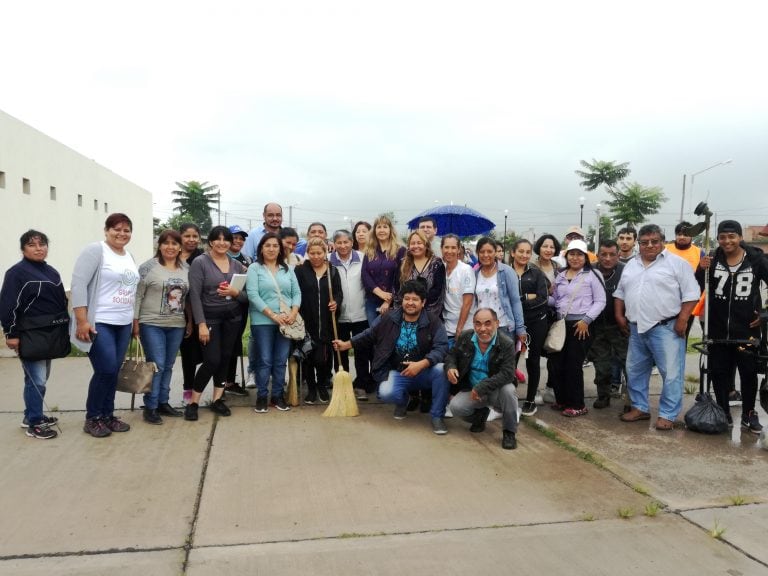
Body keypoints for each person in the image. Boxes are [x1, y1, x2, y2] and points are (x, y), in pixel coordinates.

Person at [333, 280, 450, 435]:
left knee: (441, 370)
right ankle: (403, 401)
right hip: (398, 371)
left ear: (423, 302)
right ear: (401, 301)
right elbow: (369, 334)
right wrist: (347, 345)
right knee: (386, 392)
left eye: (415, 300)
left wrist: (422, 364)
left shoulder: (433, 321)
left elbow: (442, 347)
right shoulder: (389, 318)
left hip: (424, 370)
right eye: (407, 299)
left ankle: (437, 416)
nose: (410, 303)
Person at [615, 224, 700, 430]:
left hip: (666, 328)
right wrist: (619, 315)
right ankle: (640, 408)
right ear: (639, 244)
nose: (650, 246)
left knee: (671, 373)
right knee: (634, 370)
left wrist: (682, 319)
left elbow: (691, 294)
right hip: (636, 329)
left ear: (663, 242)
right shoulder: (632, 265)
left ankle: (668, 414)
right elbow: (620, 292)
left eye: (654, 241)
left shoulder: (677, 264)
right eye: (644, 242)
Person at [71, 213, 139, 438]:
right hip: (100, 321)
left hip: (123, 322)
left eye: (126, 230)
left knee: (113, 371)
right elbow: (78, 285)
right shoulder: (96, 250)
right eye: (116, 229)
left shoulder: (129, 255)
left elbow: (131, 291)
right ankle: (93, 418)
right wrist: (82, 321)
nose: (121, 234)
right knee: (106, 369)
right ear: (106, 230)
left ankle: (107, 415)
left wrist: (133, 322)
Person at [697, 220, 768, 433]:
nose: (727, 241)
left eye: (732, 236)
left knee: (748, 373)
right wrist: (701, 271)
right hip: (717, 328)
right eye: (723, 237)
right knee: (719, 372)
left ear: (740, 237)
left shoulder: (756, 259)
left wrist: (765, 313)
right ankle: (723, 411)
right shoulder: (712, 259)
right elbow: (698, 285)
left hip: (746, 329)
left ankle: (749, 413)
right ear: (718, 238)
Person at [0, 230, 68, 439]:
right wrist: (11, 333)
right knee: (36, 379)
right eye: (32, 245)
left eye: (42, 244)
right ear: (23, 249)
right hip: (29, 333)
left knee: (41, 377)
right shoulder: (16, 273)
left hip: (50, 331)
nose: (39, 248)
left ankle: (30, 415)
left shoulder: (52, 272)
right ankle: (35, 423)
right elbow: (7, 305)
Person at [186, 226, 248, 421]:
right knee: (212, 359)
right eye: (218, 239)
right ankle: (193, 402)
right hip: (210, 318)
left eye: (226, 240)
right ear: (211, 242)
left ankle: (217, 399)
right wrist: (201, 324)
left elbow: (246, 296)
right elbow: (194, 296)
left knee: (226, 357)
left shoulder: (236, 265)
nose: (222, 243)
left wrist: (235, 293)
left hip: (233, 318)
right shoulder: (200, 262)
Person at [133, 229, 189, 424]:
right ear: (160, 245)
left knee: (169, 365)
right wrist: (135, 321)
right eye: (166, 243)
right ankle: (151, 406)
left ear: (180, 247)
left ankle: (163, 402)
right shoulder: (148, 267)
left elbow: (188, 298)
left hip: (176, 324)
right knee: (157, 365)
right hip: (151, 323)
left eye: (174, 244)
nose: (170, 247)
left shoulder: (186, 268)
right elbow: (137, 295)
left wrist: (190, 321)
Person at [445, 308, 519, 449]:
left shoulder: (507, 343)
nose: (482, 328)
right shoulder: (466, 337)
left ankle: (509, 432)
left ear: (497, 323)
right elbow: (451, 355)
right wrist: (451, 367)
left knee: (509, 390)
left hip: (494, 392)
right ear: (473, 324)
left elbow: (508, 373)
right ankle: (480, 416)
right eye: (478, 324)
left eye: (487, 323)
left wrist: (482, 387)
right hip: (472, 390)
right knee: (455, 407)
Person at [548, 239, 606, 417]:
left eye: (579, 254)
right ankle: (562, 400)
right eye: (571, 254)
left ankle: (577, 404)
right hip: (561, 325)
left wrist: (586, 320)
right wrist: (541, 296)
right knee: (556, 364)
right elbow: (556, 300)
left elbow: (601, 301)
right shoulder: (561, 275)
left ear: (585, 256)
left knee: (573, 365)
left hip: (581, 326)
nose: (575, 258)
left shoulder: (593, 275)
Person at [246, 232, 301, 413]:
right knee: (265, 360)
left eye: (275, 246)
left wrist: (293, 313)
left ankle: (277, 395)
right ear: (261, 248)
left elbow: (296, 293)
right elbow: (253, 295)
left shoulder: (288, 269)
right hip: (263, 321)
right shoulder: (255, 268)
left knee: (280, 360)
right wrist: (273, 316)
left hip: (286, 321)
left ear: (280, 249)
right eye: (267, 245)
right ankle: (262, 396)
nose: (271, 249)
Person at [296, 238, 343, 404]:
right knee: (308, 357)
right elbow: (296, 293)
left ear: (325, 253)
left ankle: (322, 385)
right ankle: (311, 388)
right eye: (312, 253)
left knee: (323, 358)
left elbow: (338, 293)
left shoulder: (332, 271)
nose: (315, 256)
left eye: (319, 253)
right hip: (307, 322)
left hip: (326, 323)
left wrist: (335, 302)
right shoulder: (301, 271)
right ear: (307, 253)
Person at [330, 229, 373, 399]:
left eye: (346, 242)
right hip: (338, 316)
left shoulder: (363, 259)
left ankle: (361, 384)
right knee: (339, 351)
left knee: (361, 351)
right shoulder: (328, 261)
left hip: (360, 313)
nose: (343, 246)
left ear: (351, 242)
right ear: (334, 244)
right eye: (339, 242)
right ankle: (344, 383)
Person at [587, 239, 629, 410]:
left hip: (621, 326)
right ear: (597, 255)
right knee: (602, 365)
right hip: (596, 327)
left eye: (612, 254)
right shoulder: (589, 271)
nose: (608, 258)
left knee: (629, 364)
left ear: (618, 255)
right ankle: (603, 395)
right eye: (603, 254)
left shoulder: (626, 271)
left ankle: (633, 401)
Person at [510, 239, 549, 417]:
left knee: (533, 361)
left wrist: (519, 299)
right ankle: (508, 398)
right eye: (521, 251)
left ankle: (531, 399)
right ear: (513, 252)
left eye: (528, 252)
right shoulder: (505, 271)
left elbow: (542, 298)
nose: (524, 255)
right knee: (510, 362)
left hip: (535, 323)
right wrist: (527, 296)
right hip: (511, 324)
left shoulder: (536, 273)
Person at [472, 237, 526, 347]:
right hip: (482, 329)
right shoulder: (475, 273)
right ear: (477, 253)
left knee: (504, 363)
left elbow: (515, 301)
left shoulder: (506, 271)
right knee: (485, 363)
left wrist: (520, 328)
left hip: (503, 327)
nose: (486, 255)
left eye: (490, 251)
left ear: (495, 252)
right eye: (482, 252)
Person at [221, 224, 251, 398]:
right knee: (221, 347)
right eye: (235, 237)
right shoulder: (220, 257)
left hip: (240, 308)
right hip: (220, 308)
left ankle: (230, 382)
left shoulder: (247, 259)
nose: (238, 241)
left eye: (241, 238)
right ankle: (220, 382)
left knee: (234, 344)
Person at [532, 233, 562, 404]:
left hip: (554, 316)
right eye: (545, 246)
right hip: (536, 315)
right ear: (539, 248)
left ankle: (551, 387)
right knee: (534, 354)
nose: (548, 250)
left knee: (555, 352)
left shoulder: (558, 267)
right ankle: (534, 390)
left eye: (551, 247)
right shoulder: (531, 266)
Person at [362, 214, 406, 325]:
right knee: (373, 334)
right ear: (374, 230)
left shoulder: (400, 250)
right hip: (372, 300)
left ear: (391, 230)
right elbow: (365, 274)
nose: (382, 230)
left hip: (393, 302)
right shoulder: (369, 250)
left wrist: (388, 300)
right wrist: (379, 292)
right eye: (379, 227)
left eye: (385, 227)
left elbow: (400, 277)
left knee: (390, 335)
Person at [179, 223, 204, 404]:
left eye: (195, 236)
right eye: (187, 236)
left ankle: (193, 390)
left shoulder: (202, 258)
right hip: (171, 313)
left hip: (196, 312)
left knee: (197, 354)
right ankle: (186, 391)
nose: (191, 240)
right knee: (184, 354)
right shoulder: (170, 256)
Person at [397, 230, 445, 317]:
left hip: (430, 313)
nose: (416, 246)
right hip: (407, 312)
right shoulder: (403, 263)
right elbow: (397, 287)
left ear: (426, 245)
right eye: (413, 243)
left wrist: (419, 302)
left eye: (419, 243)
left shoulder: (436, 263)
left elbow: (438, 290)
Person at [441, 234, 475, 345]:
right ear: (441, 249)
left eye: (453, 247)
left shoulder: (466, 270)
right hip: (446, 329)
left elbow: (467, 303)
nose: (449, 251)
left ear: (458, 249)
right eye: (446, 247)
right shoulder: (441, 269)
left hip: (464, 330)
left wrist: (459, 329)